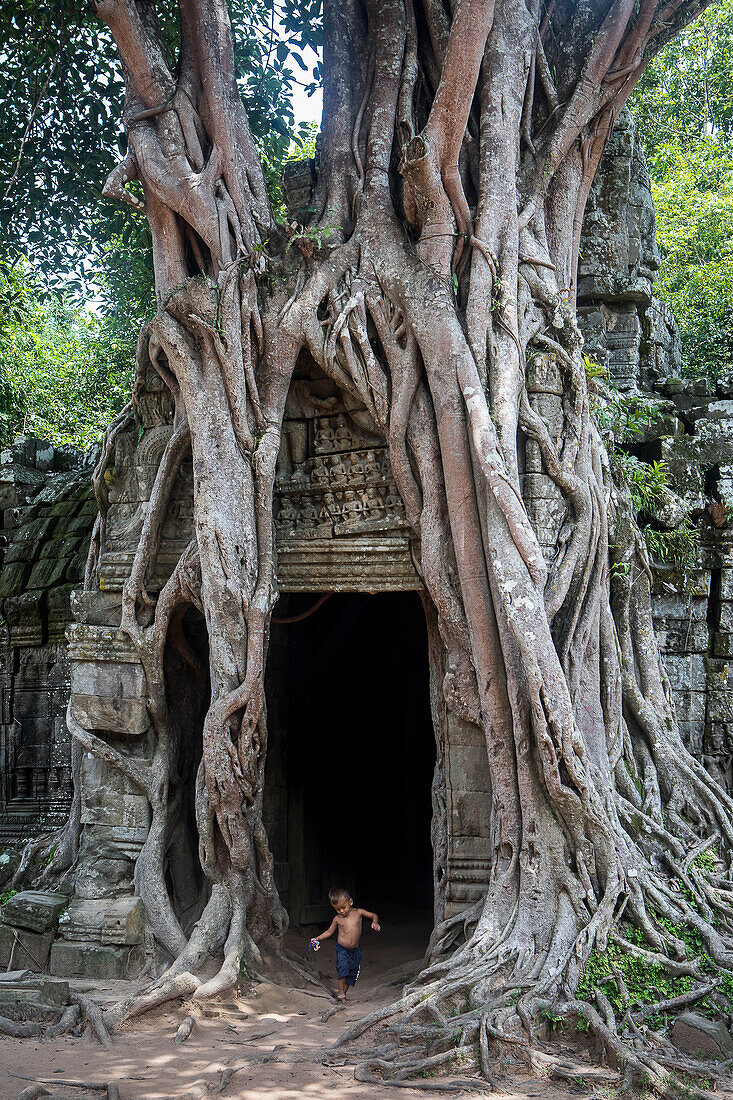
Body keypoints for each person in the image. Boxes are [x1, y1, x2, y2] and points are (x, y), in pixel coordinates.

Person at [311, 886, 381, 1001]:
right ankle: (341, 991)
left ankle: (343, 995)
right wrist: (317, 938)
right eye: (337, 909)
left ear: (350, 902)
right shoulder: (337, 919)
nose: (341, 911)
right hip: (342, 948)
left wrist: (375, 922)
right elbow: (329, 931)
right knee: (343, 966)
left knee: (352, 972)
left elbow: (374, 915)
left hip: (356, 950)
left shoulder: (359, 912)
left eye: (343, 907)